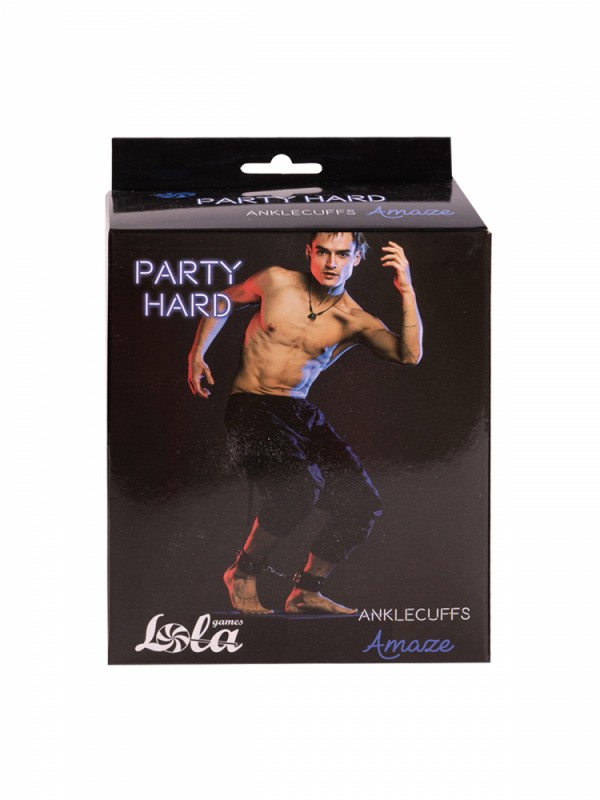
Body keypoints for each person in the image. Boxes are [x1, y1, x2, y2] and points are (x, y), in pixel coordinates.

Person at [188, 232, 422, 615]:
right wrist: (197, 353)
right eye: (323, 252)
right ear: (309, 252)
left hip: (299, 410)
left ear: (357, 258)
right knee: (298, 490)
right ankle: (243, 571)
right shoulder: (276, 281)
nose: (331, 262)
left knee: (362, 503)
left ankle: (305, 592)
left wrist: (406, 289)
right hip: (252, 405)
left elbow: (409, 355)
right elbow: (222, 300)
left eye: (342, 254)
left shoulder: (355, 319)